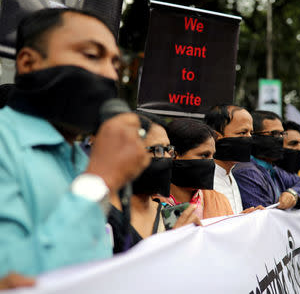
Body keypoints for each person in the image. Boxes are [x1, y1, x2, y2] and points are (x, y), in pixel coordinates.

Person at [0, 8, 151, 290]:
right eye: (91, 55)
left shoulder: (80, 160)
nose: (110, 74)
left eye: (116, 65)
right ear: (28, 62)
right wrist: (99, 181)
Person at [108, 114, 201, 253]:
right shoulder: (102, 218)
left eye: (168, 150)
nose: (167, 158)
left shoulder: (172, 214)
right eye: (158, 150)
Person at [158, 118, 234, 219]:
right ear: (173, 156)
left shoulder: (219, 201)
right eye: (204, 155)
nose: (211, 163)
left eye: (212, 156)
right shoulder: (152, 203)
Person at [233, 111, 300, 210]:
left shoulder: (273, 169)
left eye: (282, 134)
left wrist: (292, 193)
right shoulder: (247, 172)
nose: (280, 139)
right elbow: (265, 218)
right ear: (254, 136)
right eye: (274, 134)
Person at [204, 105, 254, 214]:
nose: (249, 138)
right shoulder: (205, 181)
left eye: (251, 133)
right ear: (216, 136)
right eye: (242, 132)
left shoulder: (230, 173)